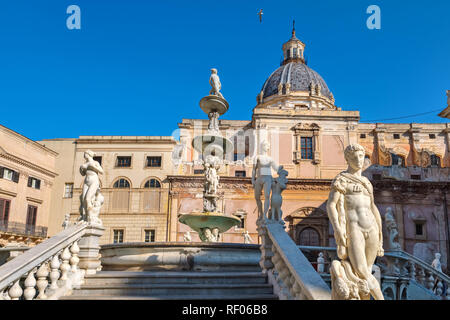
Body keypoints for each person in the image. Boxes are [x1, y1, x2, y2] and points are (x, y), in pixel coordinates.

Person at [327, 143, 384, 300]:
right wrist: (338, 229)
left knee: (367, 269)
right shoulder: (341, 179)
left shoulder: (366, 182)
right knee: (361, 270)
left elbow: (373, 208)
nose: (358, 160)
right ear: (347, 159)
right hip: (354, 228)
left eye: (361, 156)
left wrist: (381, 236)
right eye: (354, 157)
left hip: (371, 227)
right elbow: (331, 205)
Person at [252, 140, 280, 221]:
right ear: (262, 146)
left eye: (267, 145)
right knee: (257, 197)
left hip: (268, 178)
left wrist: (282, 172)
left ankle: (264, 215)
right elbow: (254, 169)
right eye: (264, 145)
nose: (266, 146)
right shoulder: (257, 157)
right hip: (259, 178)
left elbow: (276, 168)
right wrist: (252, 180)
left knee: (267, 196)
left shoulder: (270, 159)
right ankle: (261, 213)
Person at [79, 150, 104, 222]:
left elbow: (101, 171)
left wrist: (92, 167)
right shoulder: (85, 163)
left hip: (94, 181)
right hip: (86, 182)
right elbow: (83, 174)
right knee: (83, 199)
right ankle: (84, 217)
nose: (84, 155)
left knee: (88, 198)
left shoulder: (95, 162)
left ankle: (90, 216)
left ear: (88, 154)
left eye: (85, 154)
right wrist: (81, 169)